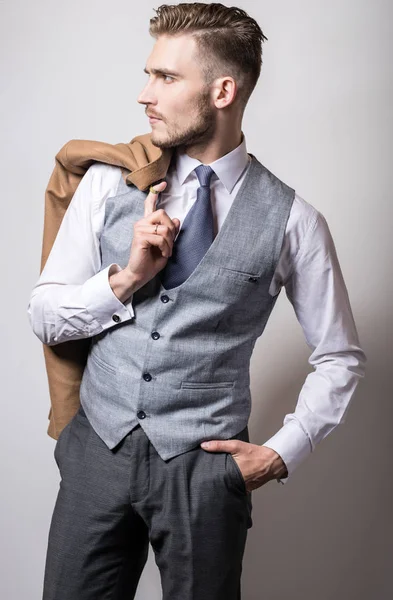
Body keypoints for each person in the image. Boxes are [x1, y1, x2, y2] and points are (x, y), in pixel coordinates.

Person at [27, 3, 366, 599]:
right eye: (149, 74)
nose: (144, 94)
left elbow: (339, 357)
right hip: (96, 452)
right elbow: (46, 318)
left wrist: (278, 454)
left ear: (222, 90)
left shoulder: (294, 221)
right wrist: (125, 279)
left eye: (166, 78)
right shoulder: (111, 182)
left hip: (204, 473)